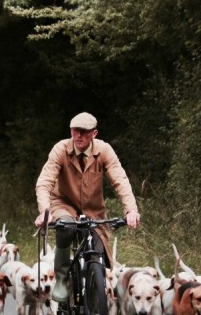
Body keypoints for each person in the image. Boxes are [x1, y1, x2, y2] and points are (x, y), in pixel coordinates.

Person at [34, 112, 140, 302]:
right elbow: (44, 182)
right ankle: (62, 278)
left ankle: (95, 292)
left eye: (84, 131)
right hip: (63, 203)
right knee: (66, 227)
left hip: (93, 209)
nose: (79, 135)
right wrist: (45, 211)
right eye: (75, 131)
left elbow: (120, 180)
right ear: (71, 131)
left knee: (97, 253)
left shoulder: (104, 150)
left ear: (94, 133)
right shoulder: (60, 149)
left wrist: (131, 210)